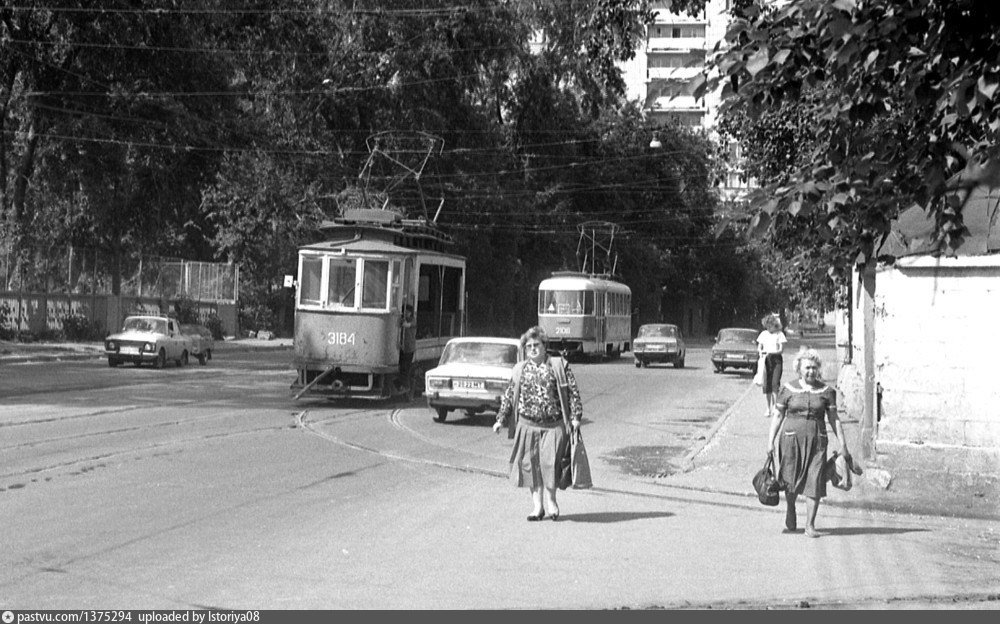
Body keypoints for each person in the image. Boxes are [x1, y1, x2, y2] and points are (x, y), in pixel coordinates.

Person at [492, 326, 583, 522]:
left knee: (549, 464)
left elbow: (573, 393)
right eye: (529, 346)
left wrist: (576, 417)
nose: (533, 349)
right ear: (525, 349)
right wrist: (500, 419)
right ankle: (537, 507)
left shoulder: (559, 365)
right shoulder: (519, 369)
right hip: (527, 425)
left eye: (536, 345)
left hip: (553, 425)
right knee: (530, 466)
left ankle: (552, 503)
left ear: (544, 346)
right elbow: (509, 396)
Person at [767, 347, 852, 538]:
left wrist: (843, 444)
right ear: (799, 369)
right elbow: (778, 415)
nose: (811, 371)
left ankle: (810, 525)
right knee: (790, 477)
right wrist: (770, 441)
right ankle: (790, 508)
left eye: (814, 368)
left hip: (817, 441)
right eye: (807, 368)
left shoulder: (827, 392)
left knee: (815, 479)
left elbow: (834, 418)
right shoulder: (787, 389)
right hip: (790, 439)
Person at [756, 313, 787, 417]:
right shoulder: (763, 334)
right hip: (765, 360)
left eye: (771, 326)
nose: (769, 328)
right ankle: (768, 407)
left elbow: (781, 350)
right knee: (766, 385)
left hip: (776, 360)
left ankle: (775, 406)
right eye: (767, 326)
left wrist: (772, 352)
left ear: (775, 325)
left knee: (775, 383)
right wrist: (761, 352)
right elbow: (759, 347)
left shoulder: (780, 334)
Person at [397, 304, 416, 388]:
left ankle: (406, 386)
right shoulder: (405, 319)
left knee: (406, 368)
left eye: (408, 312)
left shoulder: (413, 320)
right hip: (403, 347)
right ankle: (402, 385)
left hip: (409, 348)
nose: (406, 313)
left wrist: (402, 322)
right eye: (405, 312)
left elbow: (407, 325)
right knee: (402, 368)